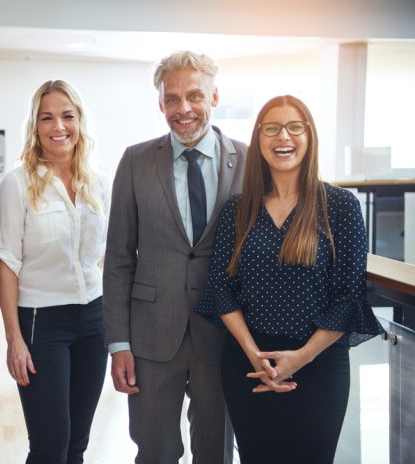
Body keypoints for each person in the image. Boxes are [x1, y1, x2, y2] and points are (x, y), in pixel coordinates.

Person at [195, 95, 384, 463]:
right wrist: (254, 356)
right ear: (259, 138)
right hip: (249, 366)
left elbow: (348, 298)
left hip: (319, 365)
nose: (284, 136)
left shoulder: (341, 206)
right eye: (272, 128)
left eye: (295, 127)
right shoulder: (238, 208)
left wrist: (299, 359)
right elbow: (220, 289)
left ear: (309, 136)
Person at [103, 50, 246, 464]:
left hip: (223, 335)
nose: (183, 109)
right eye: (172, 98)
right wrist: (118, 344)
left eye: (194, 96)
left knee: (216, 452)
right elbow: (117, 261)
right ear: (160, 102)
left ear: (214, 97)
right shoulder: (134, 161)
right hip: (150, 339)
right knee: (154, 452)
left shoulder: (250, 160)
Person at [0, 80, 110, 464]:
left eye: (67, 116)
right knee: (50, 446)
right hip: (41, 323)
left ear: (80, 121)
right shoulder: (17, 184)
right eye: (47, 118)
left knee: (77, 442)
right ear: (35, 125)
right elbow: (6, 262)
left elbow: (109, 258)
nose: (58, 126)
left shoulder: (98, 183)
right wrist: (14, 339)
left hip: (93, 319)